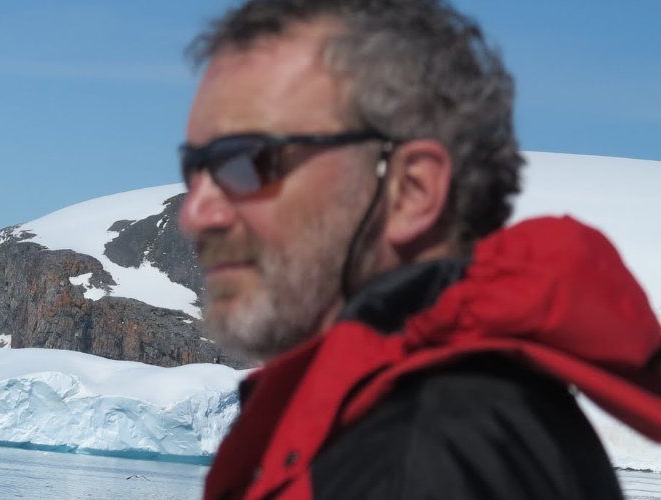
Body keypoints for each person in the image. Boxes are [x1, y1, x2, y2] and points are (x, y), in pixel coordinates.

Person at [176, 0, 661, 498]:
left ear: (411, 191)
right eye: (194, 168)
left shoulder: (427, 454)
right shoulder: (412, 431)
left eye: (248, 162)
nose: (195, 213)